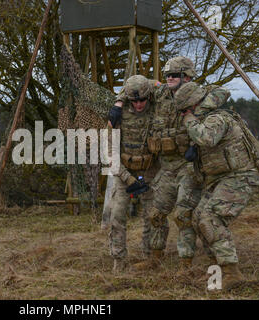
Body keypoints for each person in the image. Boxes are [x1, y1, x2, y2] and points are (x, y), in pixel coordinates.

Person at [175, 82, 259, 290]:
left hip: (240, 177)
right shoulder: (202, 120)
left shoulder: (216, 119)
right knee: (198, 217)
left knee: (210, 218)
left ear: (195, 105)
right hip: (220, 179)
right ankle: (216, 267)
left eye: (186, 111)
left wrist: (189, 120)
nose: (184, 115)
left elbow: (206, 138)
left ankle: (232, 272)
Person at [134, 56, 202, 271]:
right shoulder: (161, 92)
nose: (170, 78)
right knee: (156, 214)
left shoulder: (198, 95)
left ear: (188, 76)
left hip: (188, 167)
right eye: (168, 75)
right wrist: (118, 104)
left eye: (176, 75)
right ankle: (155, 257)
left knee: (183, 215)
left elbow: (220, 97)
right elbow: (134, 85)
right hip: (167, 167)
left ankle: (186, 264)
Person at [107, 75, 161, 273]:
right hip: (124, 172)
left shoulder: (156, 107)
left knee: (153, 216)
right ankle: (118, 259)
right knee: (117, 215)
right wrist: (128, 179)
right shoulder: (117, 116)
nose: (139, 104)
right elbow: (110, 152)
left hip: (150, 171)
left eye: (142, 100)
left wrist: (119, 98)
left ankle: (150, 256)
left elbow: (158, 83)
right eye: (134, 100)